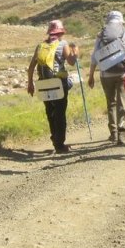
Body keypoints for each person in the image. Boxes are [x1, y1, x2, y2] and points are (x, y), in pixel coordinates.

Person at [27, 20, 79, 155]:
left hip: (43, 83)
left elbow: (31, 66)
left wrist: (30, 84)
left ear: (50, 32)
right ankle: (59, 144)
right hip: (58, 83)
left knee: (50, 111)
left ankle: (54, 138)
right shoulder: (63, 44)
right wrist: (76, 52)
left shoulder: (40, 46)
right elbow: (72, 62)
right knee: (60, 113)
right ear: (60, 32)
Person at [87, 10, 125, 145]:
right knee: (122, 102)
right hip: (122, 73)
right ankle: (122, 132)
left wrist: (91, 76)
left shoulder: (101, 35)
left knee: (111, 103)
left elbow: (94, 56)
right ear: (121, 20)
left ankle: (113, 133)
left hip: (105, 74)